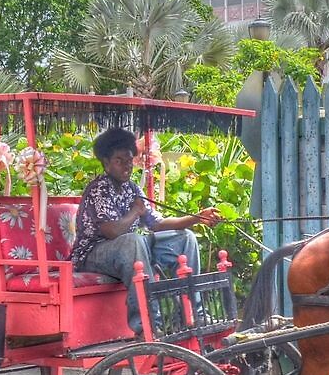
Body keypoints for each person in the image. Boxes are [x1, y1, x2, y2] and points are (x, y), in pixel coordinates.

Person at [70, 127, 221, 335]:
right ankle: (149, 325)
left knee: (185, 238)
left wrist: (197, 218)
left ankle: (191, 314)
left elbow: (156, 223)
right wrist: (134, 212)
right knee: (133, 241)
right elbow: (111, 231)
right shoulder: (98, 188)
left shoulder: (132, 188)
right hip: (94, 254)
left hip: (129, 251)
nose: (127, 166)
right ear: (106, 163)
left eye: (130, 160)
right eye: (119, 161)